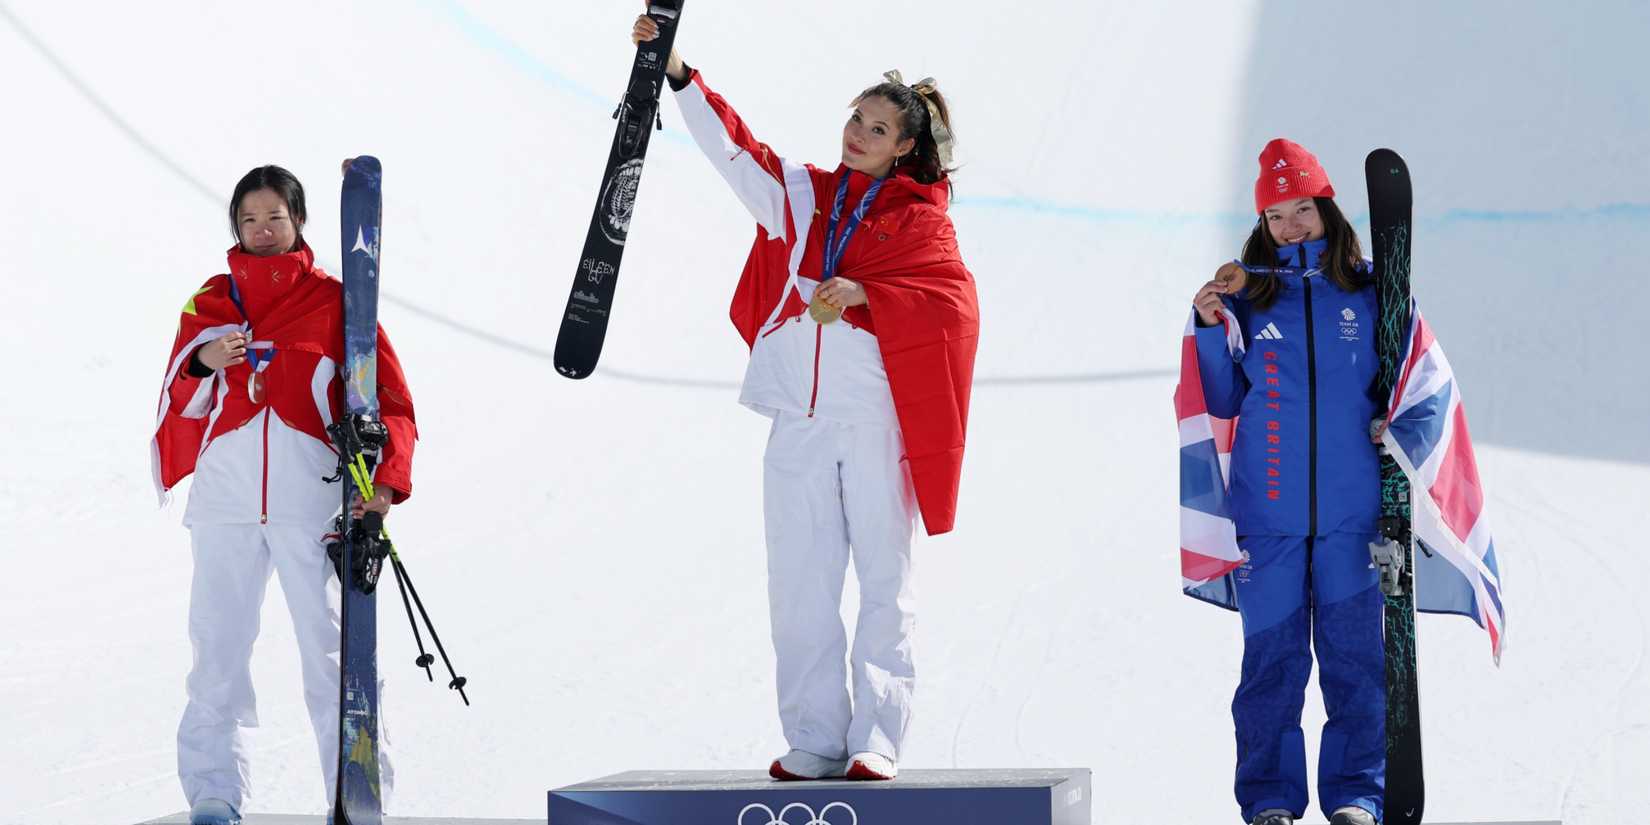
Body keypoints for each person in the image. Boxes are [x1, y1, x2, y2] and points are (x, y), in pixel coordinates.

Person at [632, 9, 980, 782]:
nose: (858, 133)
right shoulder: (803, 196)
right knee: (798, 584)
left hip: (873, 421)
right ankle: (816, 735)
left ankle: (877, 739)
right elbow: (736, 153)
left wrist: (863, 295)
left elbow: (950, 307)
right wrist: (679, 75)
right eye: (856, 119)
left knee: (885, 581)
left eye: (878, 128)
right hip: (798, 420)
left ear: (906, 148)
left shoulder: (923, 225)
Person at [150, 164, 417, 825]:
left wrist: (383, 486)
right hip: (226, 501)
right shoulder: (208, 303)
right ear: (234, 226)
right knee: (216, 649)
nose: (262, 229)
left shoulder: (338, 300)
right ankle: (214, 794)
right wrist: (204, 363)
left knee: (333, 652)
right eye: (249, 219)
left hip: (311, 500)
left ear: (299, 220)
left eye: (275, 216)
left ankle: (356, 793)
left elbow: (392, 402)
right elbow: (176, 402)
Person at [1188, 139, 1384, 825]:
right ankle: (1269, 796)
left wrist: (1398, 422)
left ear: (1327, 209)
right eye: (1276, 215)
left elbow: (1414, 379)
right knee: (1271, 665)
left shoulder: (1370, 287)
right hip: (1266, 514)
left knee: (1356, 660)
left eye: (1303, 209)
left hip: (1353, 513)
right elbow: (1217, 396)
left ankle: (1358, 792)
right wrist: (1209, 328)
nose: (1292, 225)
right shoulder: (1246, 295)